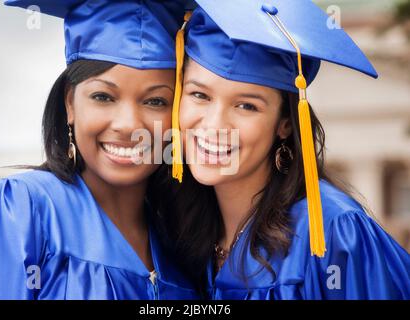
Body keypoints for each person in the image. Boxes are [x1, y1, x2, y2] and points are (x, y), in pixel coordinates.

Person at [164, 0, 410, 299]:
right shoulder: (183, 231)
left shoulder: (333, 231)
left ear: (284, 124)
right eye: (199, 95)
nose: (215, 124)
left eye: (246, 105)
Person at [0, 0, 199, 299]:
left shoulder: (182, 247)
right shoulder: (20, 211)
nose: (127, 125)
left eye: (155, 102)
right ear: (70, 103)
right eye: (103, 96)